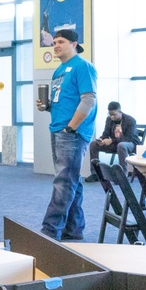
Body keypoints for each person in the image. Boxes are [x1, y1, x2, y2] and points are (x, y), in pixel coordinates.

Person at [35, 28, 97, 241]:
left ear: (74, 43)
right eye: (54, 43)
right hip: (58, 130)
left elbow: (88, 100)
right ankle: (74, 230)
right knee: (72, 181)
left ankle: (49, 232)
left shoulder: (83, 67)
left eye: (60, 41)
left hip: (71, 133)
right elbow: (65, 101)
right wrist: (48, 107)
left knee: (63, 182)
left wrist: (71, 127)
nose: (56, 46)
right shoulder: (58, 71)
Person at [86, 101, 138, 180]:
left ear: (120, 112)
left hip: (131, 144)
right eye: (110, 114)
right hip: (115, 144)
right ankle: (95, 173)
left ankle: (123, 175)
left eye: (114, 114)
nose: (112, 117)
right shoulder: (109, 120)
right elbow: (106, 134)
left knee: (122, 145)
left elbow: (128, 138)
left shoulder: (130, 120)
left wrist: (111, 141)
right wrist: (101, 139)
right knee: (93, 144)